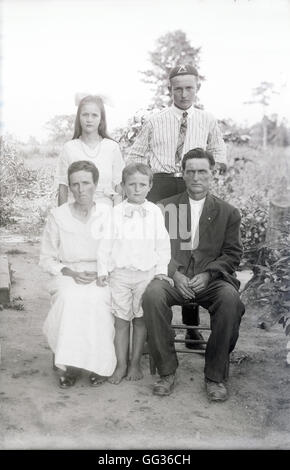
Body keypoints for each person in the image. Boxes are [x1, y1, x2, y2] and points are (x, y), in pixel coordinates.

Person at [127, 64, 227, 346]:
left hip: (191, 184)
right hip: (161, 185)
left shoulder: (207, 120)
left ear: (197, 88)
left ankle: (192, 327)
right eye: (178, 88)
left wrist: (207, 175)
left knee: (190, 252)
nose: (183, 93)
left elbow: (219, 151)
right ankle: (160, 325)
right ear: (169, 89)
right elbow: (136, 154)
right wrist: (143, 186)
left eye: (189, 88)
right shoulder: (156, 120)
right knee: (161, 249)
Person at [142, 148, 245, 402]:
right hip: (173, 280)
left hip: (211, 282)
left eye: (202, 171)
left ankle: (215, 376)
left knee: (231, 300)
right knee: (152, 295)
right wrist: (174, 273)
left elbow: (232, 254)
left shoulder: (228, 213)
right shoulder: (163, 208)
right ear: (183, 174)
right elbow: (150, 248)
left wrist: (209, 275)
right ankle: (166, 372)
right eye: (191, 172)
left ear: (212, 175)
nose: (196, 177)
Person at [39, 160, 116, 388]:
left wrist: (102, 271)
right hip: (68, 272)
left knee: (97, 300)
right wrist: (70, 272)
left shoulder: (107, 213)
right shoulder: (58, 215)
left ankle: (98, 364)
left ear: (96, 184)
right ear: (69, 187)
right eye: (75, 184)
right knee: (70, 299)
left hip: (101, 273)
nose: (81, 189)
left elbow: (117, 249)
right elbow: (46, 257)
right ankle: (68, 364)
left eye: (86, 183)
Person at [97, 163, 171, 385]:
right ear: (123, 187)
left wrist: (161, 271)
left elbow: (162, 245)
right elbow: (105, 244)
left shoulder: (156, 212)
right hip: (119, 274)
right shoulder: (115, 213)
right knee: (121, 321)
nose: (137, 189)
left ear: (150, 186)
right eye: (132, 185)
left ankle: (135, 362)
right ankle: (120, 364)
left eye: (142, 185)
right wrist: (102, 270)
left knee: (140, 321)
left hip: (145, 275)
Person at [56, 94, 124, 207]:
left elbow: (119, 187)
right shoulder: (69, 148)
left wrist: (116, 216)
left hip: (105, 211)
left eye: (94, 115)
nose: (89, 120)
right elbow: (63, 187)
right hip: (76, 209)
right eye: (85, 115)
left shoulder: (112, 147)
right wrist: (62, 217)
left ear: (101, 119)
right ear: (79, 118)